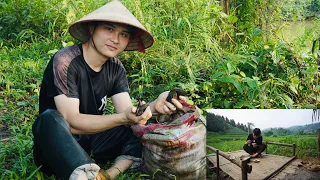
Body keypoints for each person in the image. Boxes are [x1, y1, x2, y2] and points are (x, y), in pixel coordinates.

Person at [32, 1, 186, 180]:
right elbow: (72, 122)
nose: (116, 39)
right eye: (109, 29)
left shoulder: (116, 68)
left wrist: (154, 106)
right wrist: (123, 118)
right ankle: (83, 174)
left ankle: (107, 175)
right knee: (49, 117)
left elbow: (129, 116)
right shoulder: (66, 61)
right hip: (59, 146)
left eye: (123, 34)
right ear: (92, 29)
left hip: (94, 142)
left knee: (137, 131)